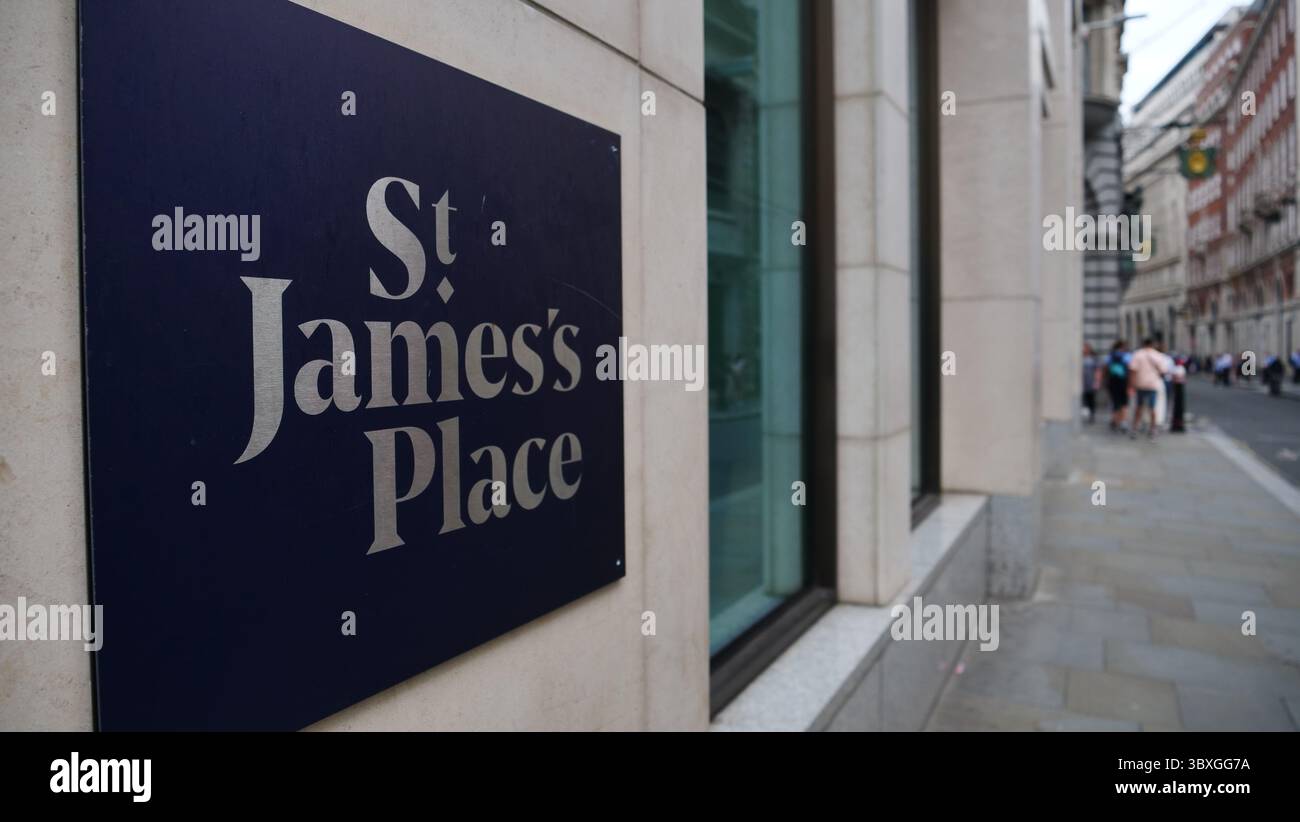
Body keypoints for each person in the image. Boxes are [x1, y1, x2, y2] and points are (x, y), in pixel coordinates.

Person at [1128, 338, 1169, 440]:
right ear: (1152, 344)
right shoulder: (1158, 355)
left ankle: (1135, 428)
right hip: (1153, 384)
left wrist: (1131, 385)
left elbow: (1132, 370)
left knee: (1139, 407)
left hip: (1140, 384)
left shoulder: (1137, 354)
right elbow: (1163, 371)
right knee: (1152, 408)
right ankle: (1152, 429)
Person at [1105, 340, 1130, 433]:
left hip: (1112, 381)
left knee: (1115, 401)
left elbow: (1106, 367)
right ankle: (1123, 421)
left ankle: (1114, 420)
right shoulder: (1126, 356)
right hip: (1123, 381)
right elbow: (1130, 368)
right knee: (1124, 402)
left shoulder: (1110, 356)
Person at [1081, 343, 1100, 423]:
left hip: (1090, 382)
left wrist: (1097, 381)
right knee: (1084, 398)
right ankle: (1085, 414)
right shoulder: (1080, 358)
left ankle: (1091, 415)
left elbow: (1097, 371)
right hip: (1082, 382)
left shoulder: (1093, 359)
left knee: (1091, 399)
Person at [1170, 356, 1187, 433]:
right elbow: (1180, 378)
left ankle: (1178, 424)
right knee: (1178, 407)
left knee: (1178, 407)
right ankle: (1178, 424)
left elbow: (1176, 378)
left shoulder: (1177, 368)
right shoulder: (1179, 368)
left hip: (1178, 388)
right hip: (1179, 388)